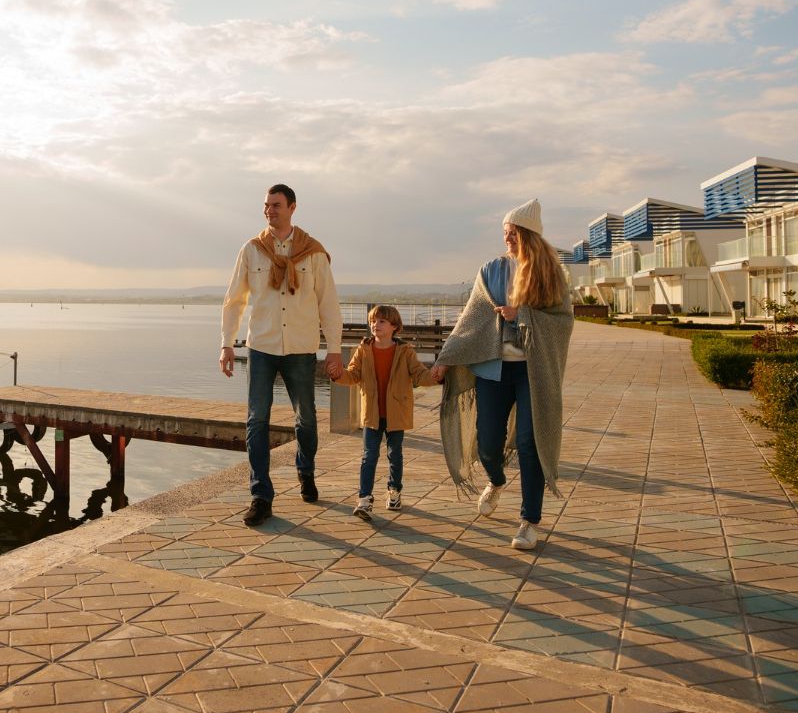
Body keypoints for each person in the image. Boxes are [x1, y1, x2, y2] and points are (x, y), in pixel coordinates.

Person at [430, 199, 574, 551]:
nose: (507, 239)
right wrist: (445, 359)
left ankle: (529, 521)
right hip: (493, 370)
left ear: (528, 236)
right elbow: (471, 319)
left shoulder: (552, 274)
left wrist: (521, 315)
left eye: (513, 234)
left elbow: (562, 322)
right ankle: (495, 480)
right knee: (488, 442)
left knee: (530, 442)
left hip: (532, 372)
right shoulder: (491, 270)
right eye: (505, 233)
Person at [221, 184, 343, 526]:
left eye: (275, 205)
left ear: (292, 207)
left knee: (306, 418)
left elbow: (328, 303)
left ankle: (306, 471)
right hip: (261, 346)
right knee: (256, 419)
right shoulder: (252, 250)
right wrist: (226, 343)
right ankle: (261, 495)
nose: (269, 211)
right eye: (265, 205)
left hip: (301, 348)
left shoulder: (313, 253)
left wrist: (334, 350)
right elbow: (234, 300)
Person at [332, 304, 441, 520]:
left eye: (381, 321)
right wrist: (337, 375)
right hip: (372, 414)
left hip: (396, 413)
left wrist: (436, 376)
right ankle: (364, 499)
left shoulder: (405, 351)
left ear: (394, 326)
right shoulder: (363, 350)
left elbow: (420, 376)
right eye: (373, 321)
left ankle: (394, 491)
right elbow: (353, 375)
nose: (375, 325)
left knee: (395, 455)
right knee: (368, 456)